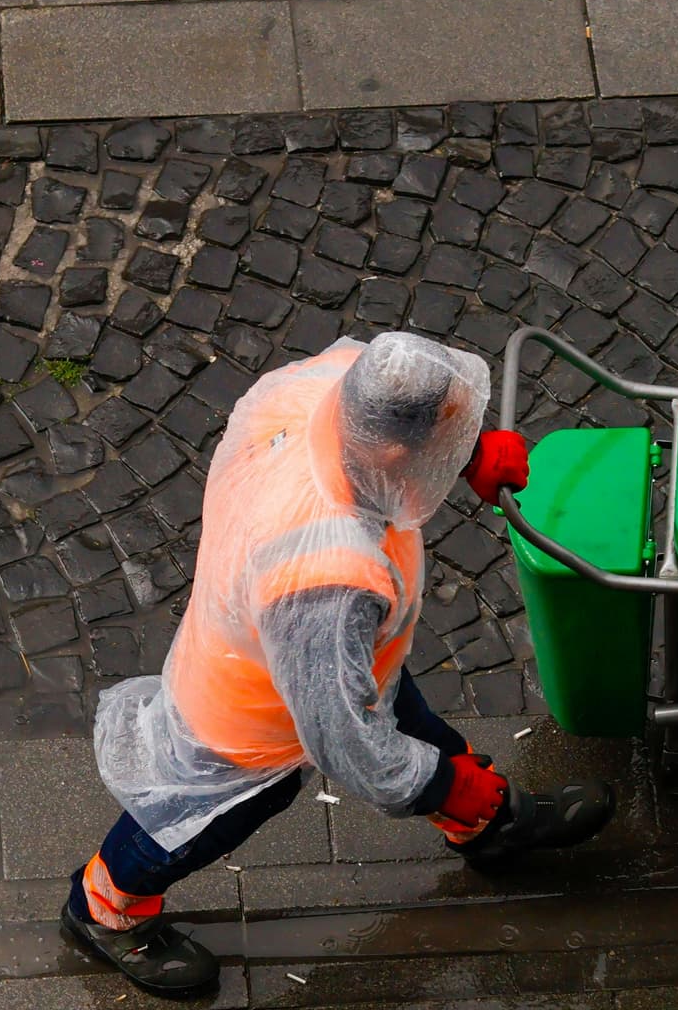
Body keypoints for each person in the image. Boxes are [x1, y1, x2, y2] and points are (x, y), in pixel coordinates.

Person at [63, 332, 614, 995]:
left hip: (338, 655)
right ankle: (104, 908)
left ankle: (488, 828)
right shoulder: (323, 582)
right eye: (440, 443)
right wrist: (442, 784)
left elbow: (399, 390)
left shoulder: (319, 390)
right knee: (202, 823)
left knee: (414, 726)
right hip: (254, 719)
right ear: (388, 453)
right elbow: (346, 743)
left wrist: (465, 452)